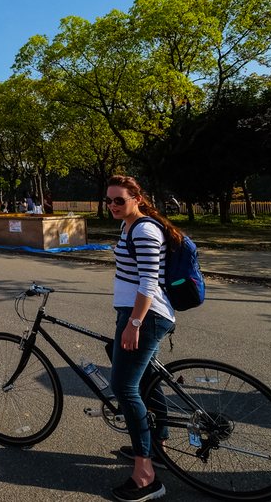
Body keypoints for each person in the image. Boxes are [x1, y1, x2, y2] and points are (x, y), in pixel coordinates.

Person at [106, 175, 179, 502]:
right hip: (134, 314)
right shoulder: (128, 226)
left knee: (124, 386)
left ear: (137, 197)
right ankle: (158, 442)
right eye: (108, 201)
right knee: (145, 378)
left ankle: (146, 476)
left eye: (119, 200)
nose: (112, 206)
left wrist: (134, 323)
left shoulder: (145, 229)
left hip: (146, 316)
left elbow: (149, 283)